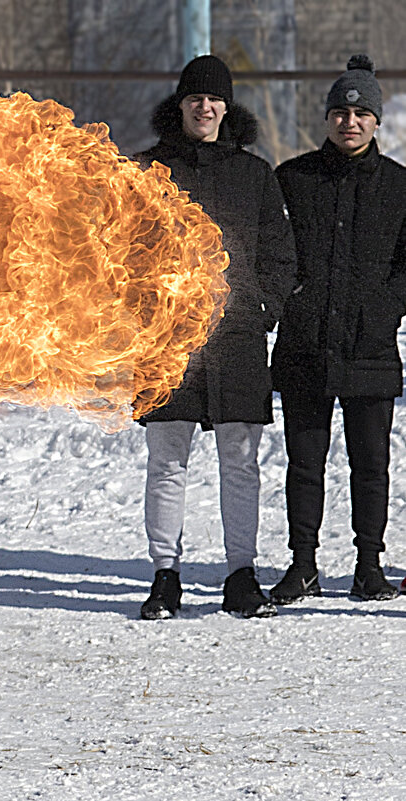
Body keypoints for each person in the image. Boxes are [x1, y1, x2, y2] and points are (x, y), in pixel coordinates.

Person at [134, 55, 296, 619]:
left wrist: (263, 309)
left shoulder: (254, 174)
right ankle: (164, 575)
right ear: (179, 105)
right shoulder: (147, 172)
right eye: (195, 98)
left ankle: (240, 574)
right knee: (167, 460)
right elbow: (120, 253)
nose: (205, 107)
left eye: (214, 99)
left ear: (227, 108)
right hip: (169, 341)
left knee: (240, 461)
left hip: (237, 339)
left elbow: (280, 254)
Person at [269, 55, 406, 604]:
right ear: (327, 119)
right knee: (305, 463)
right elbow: (273, 253)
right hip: (305, 346)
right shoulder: (293, 178)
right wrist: (290, 303)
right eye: (339, 112)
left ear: (375, 122)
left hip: (370, 346)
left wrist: (385, 309)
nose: (349, 122)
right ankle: (303, 564)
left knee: (370, 464)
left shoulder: (400, 186)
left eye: (360, 113)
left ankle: (368, 565)